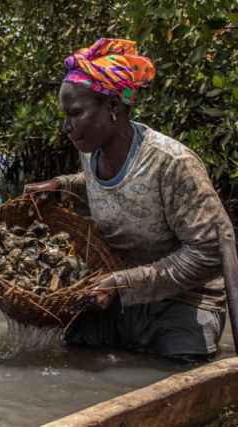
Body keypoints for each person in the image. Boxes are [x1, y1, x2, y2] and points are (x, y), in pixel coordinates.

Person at [24, 38, 234, 362]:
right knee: (72, 349)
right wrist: (61, 185)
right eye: (65, 116)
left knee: (177, 371)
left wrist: (123, 283)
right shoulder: (91, 152)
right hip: (120, 293)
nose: (66, 127)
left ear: (113, 107)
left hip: (187, 301)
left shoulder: (172, 164)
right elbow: (102, 184)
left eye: (75, 113)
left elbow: (211, 251)